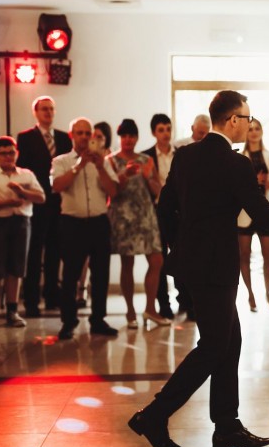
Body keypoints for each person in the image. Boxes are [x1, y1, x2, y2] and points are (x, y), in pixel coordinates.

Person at [128, 90, 269, 447]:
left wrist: (181, 246)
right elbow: (259, 211)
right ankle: (154, 414)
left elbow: (165, 208)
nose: (250, 124)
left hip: (192, 264)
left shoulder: (185, 155)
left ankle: (226, 426)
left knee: (229, 341)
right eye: (248, 118)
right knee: (213, 346)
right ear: (233, 120)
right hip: (216, 266)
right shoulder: (235, 163)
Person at [52, 118, 119, 340]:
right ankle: (68, 321)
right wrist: (79, 165)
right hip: (72, 224)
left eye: (87, 133)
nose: (83, 137)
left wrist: (99, 167)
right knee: (70, 275)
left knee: (100, 275)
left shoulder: (103, 162)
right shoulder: (61, 161)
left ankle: (98, 320)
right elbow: (57, 186)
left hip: (99, 223)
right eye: (79, 133)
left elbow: (113, 191)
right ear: (71, 136)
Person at [0, 137, 45, 330]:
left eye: (11, 153)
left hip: (21, 223)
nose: (8, 157)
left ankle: (12, 311)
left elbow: (41, 197)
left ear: (17, 153)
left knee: (16, 268)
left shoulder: (26, 174)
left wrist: (22, 191)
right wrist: (8, 202)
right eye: (4, 153)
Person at [108, 119, 169, 328]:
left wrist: (147, 175)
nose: (128, 140)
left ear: (137, 138)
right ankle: (130, 311)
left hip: (145, 214)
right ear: (120, 138)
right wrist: (124, 175)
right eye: (124, 136)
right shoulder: (111, 161)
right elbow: (111, 192)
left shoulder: (146, 159)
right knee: (128, 263)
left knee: (157, 260)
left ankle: (150, 308)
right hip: (123, 217)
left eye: (131, 136)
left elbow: (158, 190)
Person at [16, 96, 73, 316]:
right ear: (36, 112)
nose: (48, 112)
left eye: (51, 109)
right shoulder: (26, 137)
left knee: (54, 251)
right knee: (34, 253)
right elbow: (24, 169)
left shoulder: (64, 138)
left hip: (59, 203)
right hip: (37, 203)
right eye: (44, 109)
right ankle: (31, 301)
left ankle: (52, 297)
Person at [143, 113, 192, 319]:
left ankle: (186, 301)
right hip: (155, 213)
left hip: (179, 213)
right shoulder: (145, 157)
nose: (165, 133)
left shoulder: (182, 154)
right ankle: (163, 303)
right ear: (154, 132)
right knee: (159, 259)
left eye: (168, 129)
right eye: (161, 130)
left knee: (183, 256)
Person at [237, 118, 269, 311]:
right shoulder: (239, 156)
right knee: (244, 256)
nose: (253, 132)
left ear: (262, 131)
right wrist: (254, 180)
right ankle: (250, 294)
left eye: (257, 128)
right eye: (250, 128)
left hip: (266, 210)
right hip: (244, 213)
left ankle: (268, 293)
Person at [77, 121, 113, 308]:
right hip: (86, 212)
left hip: (106, 211)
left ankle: (98, 302)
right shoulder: (85, 157)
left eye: (100, 137)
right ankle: (81, 289)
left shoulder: (109, 158)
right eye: (94, 136)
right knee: (83, 257)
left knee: (100, 262)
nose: (95, 140)